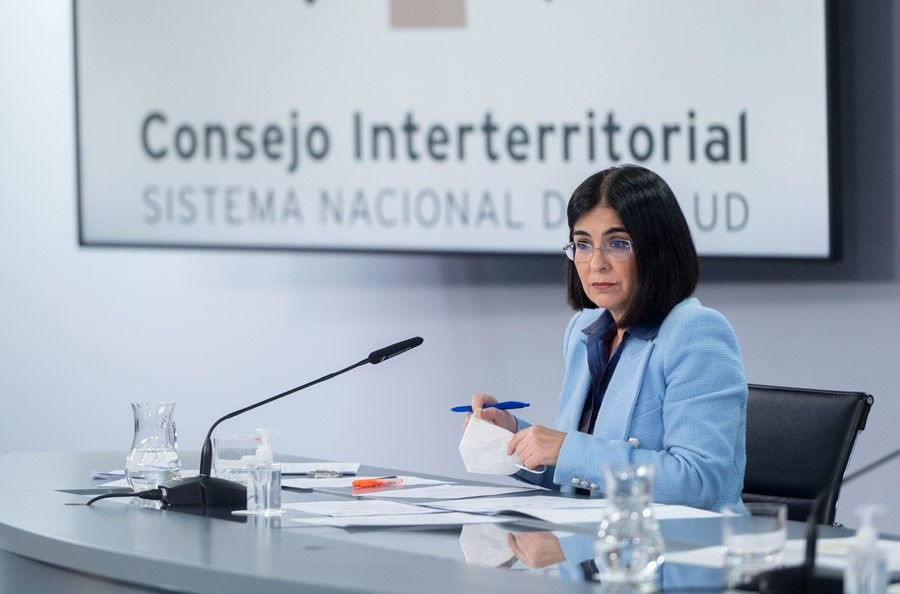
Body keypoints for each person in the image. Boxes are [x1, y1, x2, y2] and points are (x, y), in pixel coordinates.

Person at [466, 164, 747, 511]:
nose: (596, 263)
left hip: (677, 542)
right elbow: (582, 481)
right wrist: (514, 437)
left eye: (617, 244)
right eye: (583, 244)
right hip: (601, 536)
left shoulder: (696, 333)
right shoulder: (583, 331)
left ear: (658, 249)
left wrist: (566, 449)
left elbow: (699, 482)